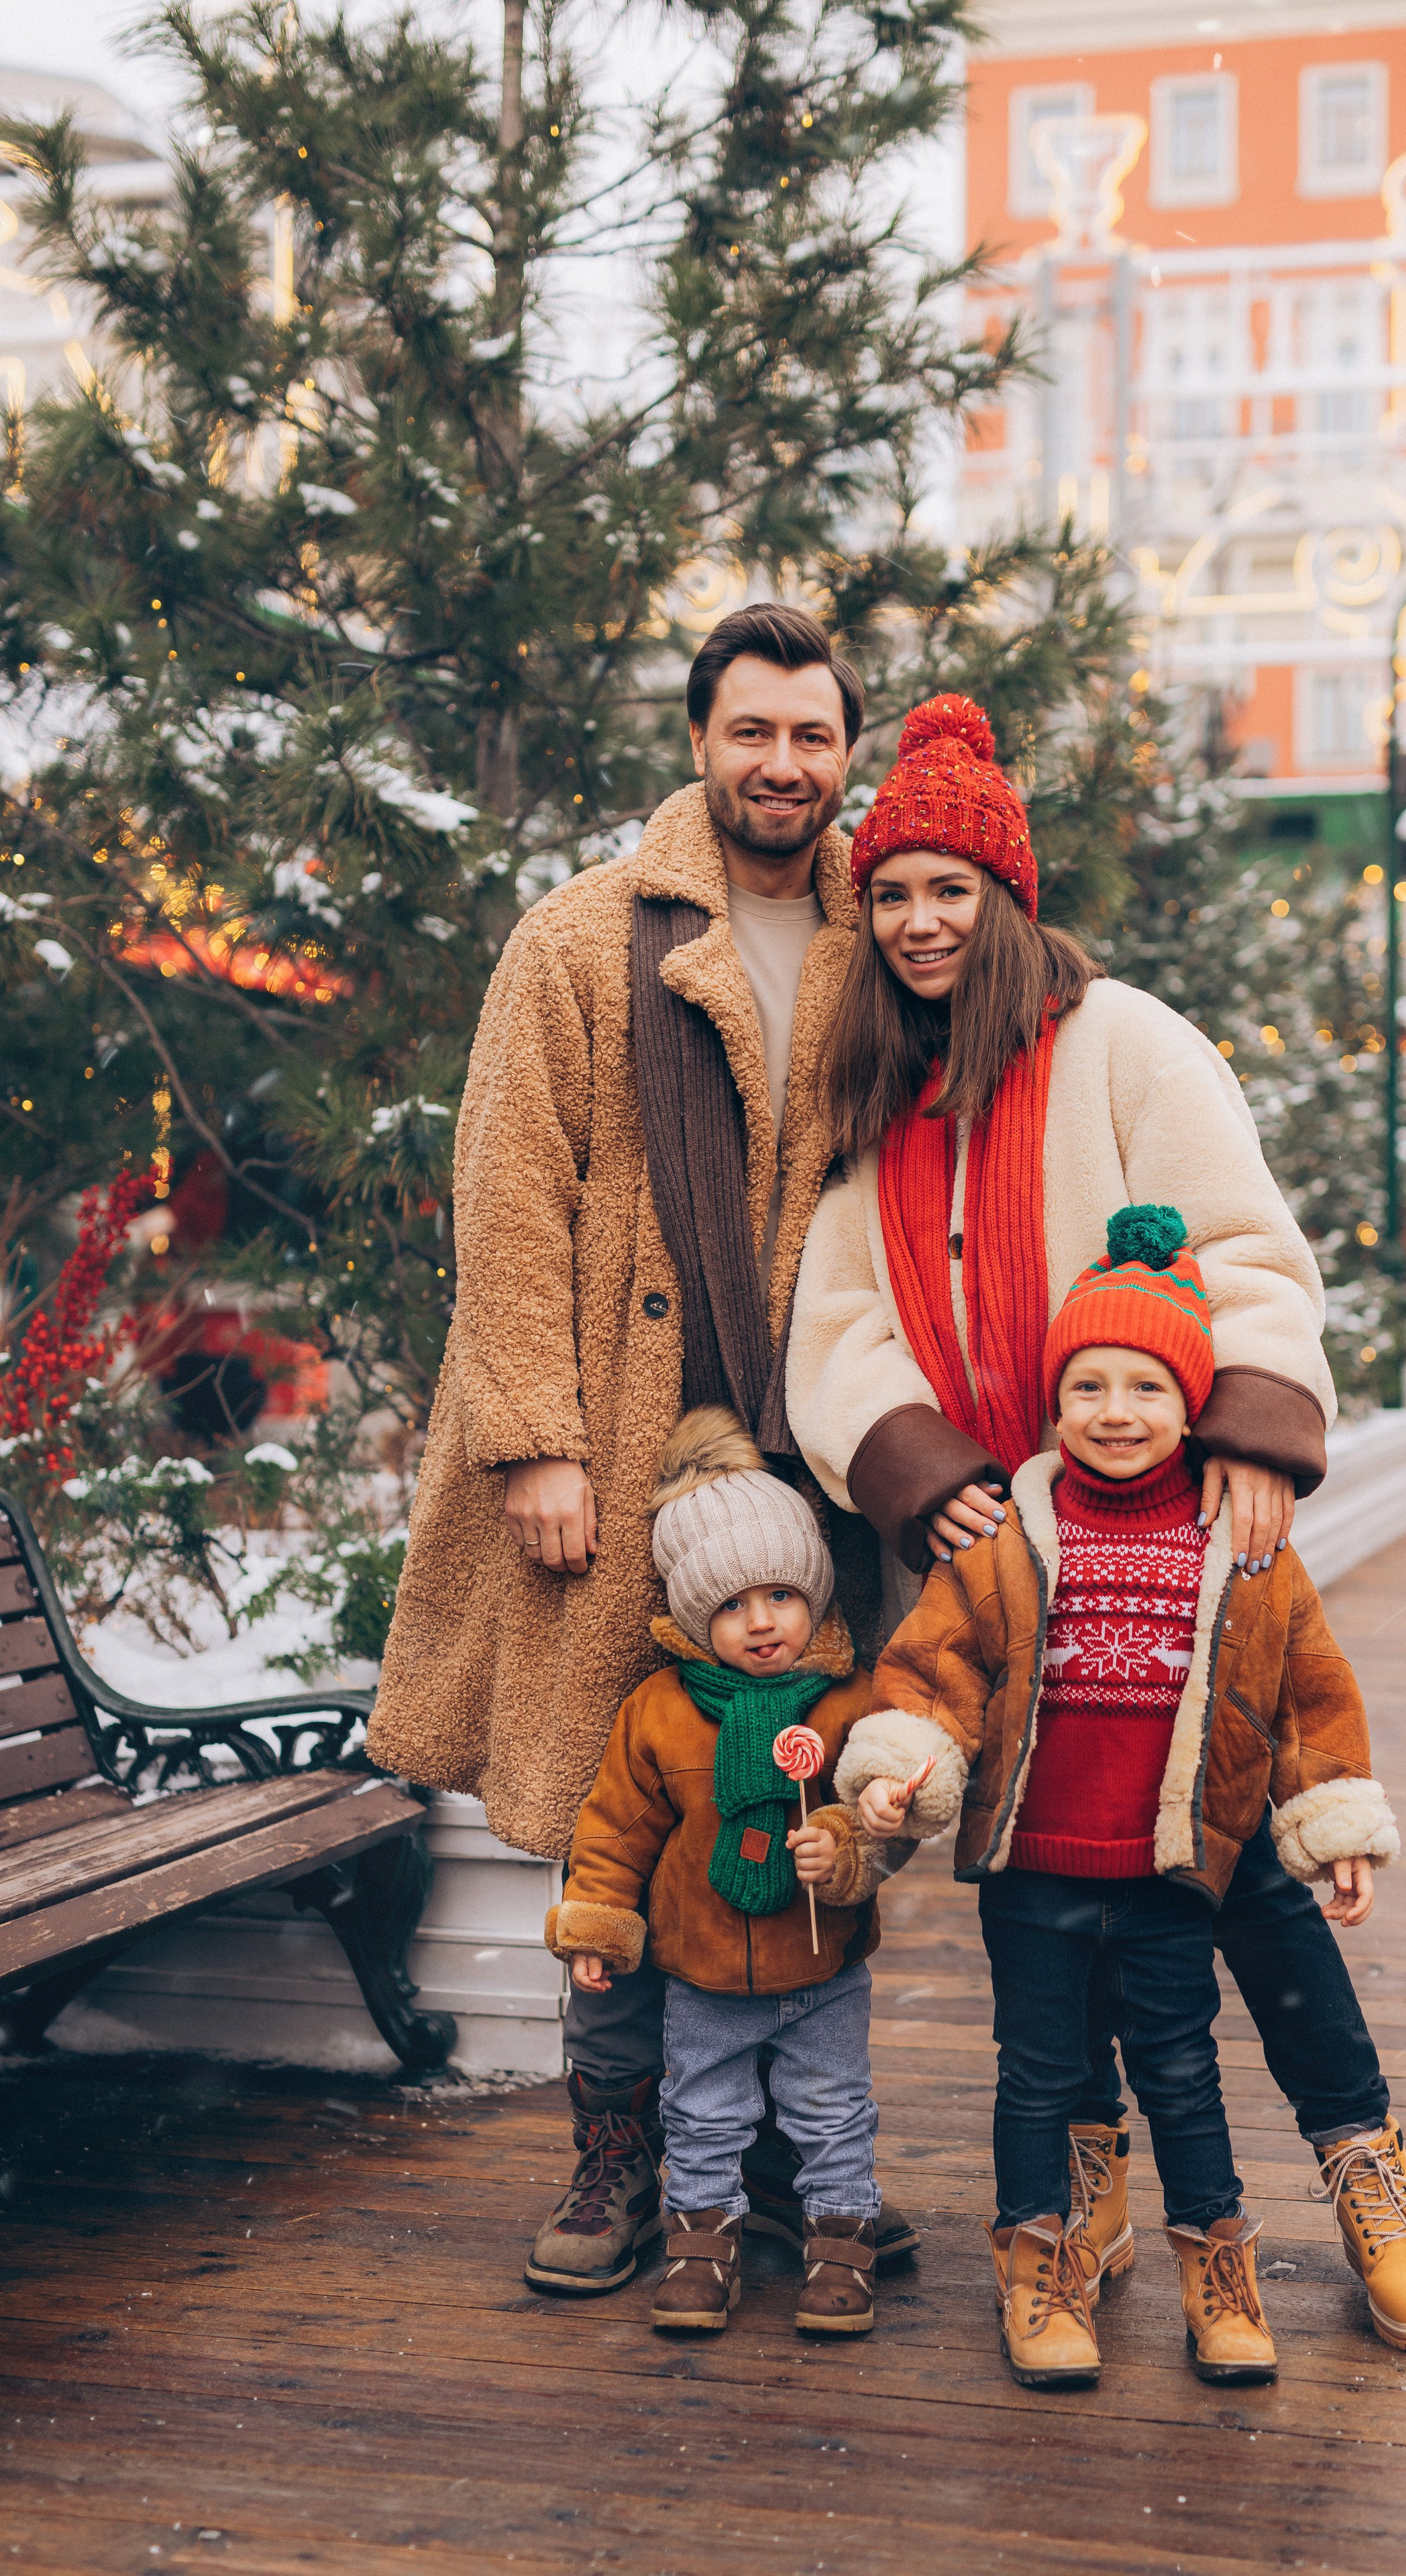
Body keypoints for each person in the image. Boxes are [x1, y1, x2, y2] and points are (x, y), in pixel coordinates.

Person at [781, 688, 1406, 2333]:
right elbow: (843, 1319)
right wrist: (927, 1476)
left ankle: (1363, 2164)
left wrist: (1246, 1433)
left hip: (1165, 1528)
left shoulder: (1126, 1042)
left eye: (950, 889)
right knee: (1050, 1903)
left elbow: (1242, 1249)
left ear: (1006, 897)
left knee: (1248, 1882)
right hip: (1014, 1572)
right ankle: (1086, 2174)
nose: (921, 922)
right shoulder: (882, 1099)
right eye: (892, 893)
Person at [366, 603, 915, 2296]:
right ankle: (617, 2159)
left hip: (800, 1465)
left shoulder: (876, 942)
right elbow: (511, 1202)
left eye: (812, 735)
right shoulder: (581, 940)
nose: (782, 763)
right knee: (617, 1814)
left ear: (845, 754)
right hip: (613, 1450)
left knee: (790, 1796)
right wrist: (534, 1446)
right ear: (700, 741)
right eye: (751, 731)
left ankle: (780, 2163)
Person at [832, 1210, 1406, 2387]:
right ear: (1052, 1401)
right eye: (1088, 1385)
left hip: (1183, 1853)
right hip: (1039, 1861)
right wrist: (901, 1767)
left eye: (1148, 1387)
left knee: (1191, 2059)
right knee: (1040, 2063)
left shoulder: (1237, 1539)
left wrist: (1331, 1818)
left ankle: (1349, 2173)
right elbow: (937, 1667)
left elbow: (1310, 1688)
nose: (1117, 1411)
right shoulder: (1007, 1538)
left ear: (1196, 1408)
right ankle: (1057, 2232)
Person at [545, 1409, 904, 2335]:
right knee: (700, 2110)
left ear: (815, 1593)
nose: (762, 1622)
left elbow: (880, 1807)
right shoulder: (660, 1712)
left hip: (821, 1971)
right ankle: (702, 2244)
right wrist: (595, 1924)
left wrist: (850, 1844)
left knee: (830, 2111)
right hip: (699, 1968)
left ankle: (839, 2238)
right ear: (695, 1617)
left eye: (781, 1596)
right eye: (733, 1605)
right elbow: (617, 1826)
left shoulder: (846, 1701)